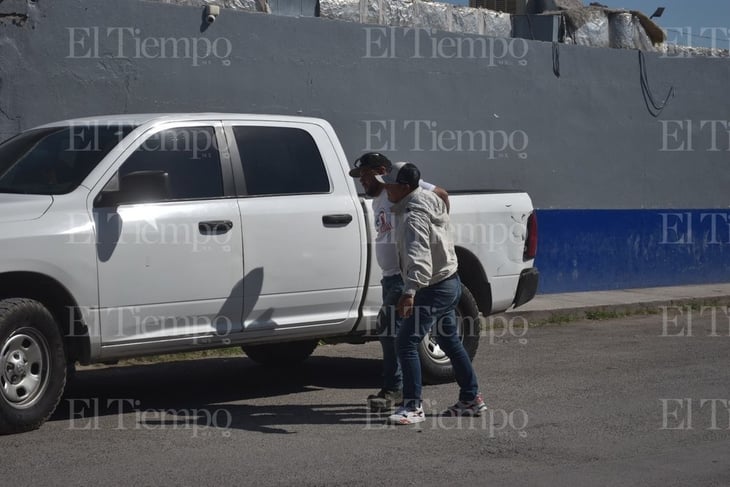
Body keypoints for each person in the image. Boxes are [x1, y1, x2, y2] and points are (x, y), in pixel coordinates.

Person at [375, 161, 486, 425]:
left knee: (405, 341)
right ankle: (471, 398)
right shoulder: (428, 199)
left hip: (432, 287)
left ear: (404, 187)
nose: (385, 188)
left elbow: (420, 258)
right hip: (449, 281)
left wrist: (410, 292)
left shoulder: (412, 216)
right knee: (449, 342)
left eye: (389, 184)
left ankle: (413, 406)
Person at [349, 152, 449, 412]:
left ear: (382, 171)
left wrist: (439, 227)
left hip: (403, 277)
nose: (363, 181)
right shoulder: (378, 200)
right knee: (396, 333)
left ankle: (398, 391)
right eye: (361, 177)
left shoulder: (398, 190)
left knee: (394, 333)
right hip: (390, 276)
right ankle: (468, 393)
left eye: (366, 176)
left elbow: (441, 193)